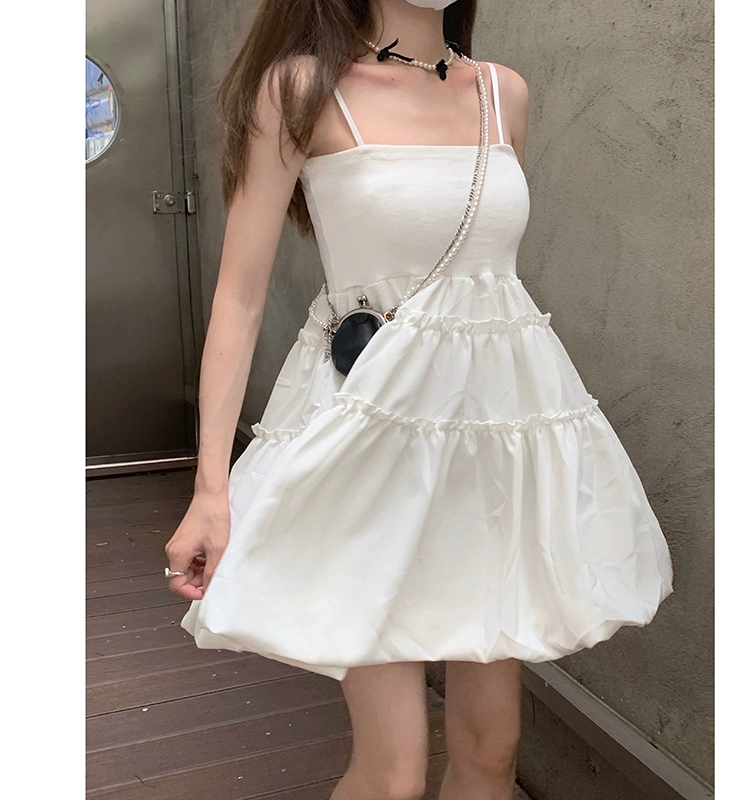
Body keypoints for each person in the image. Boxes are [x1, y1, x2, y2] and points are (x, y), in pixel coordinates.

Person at [165, 1, 674, 797]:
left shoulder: (504, 92)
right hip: (372, 438)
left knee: (491, 750)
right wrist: (209, 489)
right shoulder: (301, 88)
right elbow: (239, 294)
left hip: (494, 442)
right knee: (393, 770)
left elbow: (488, 280)